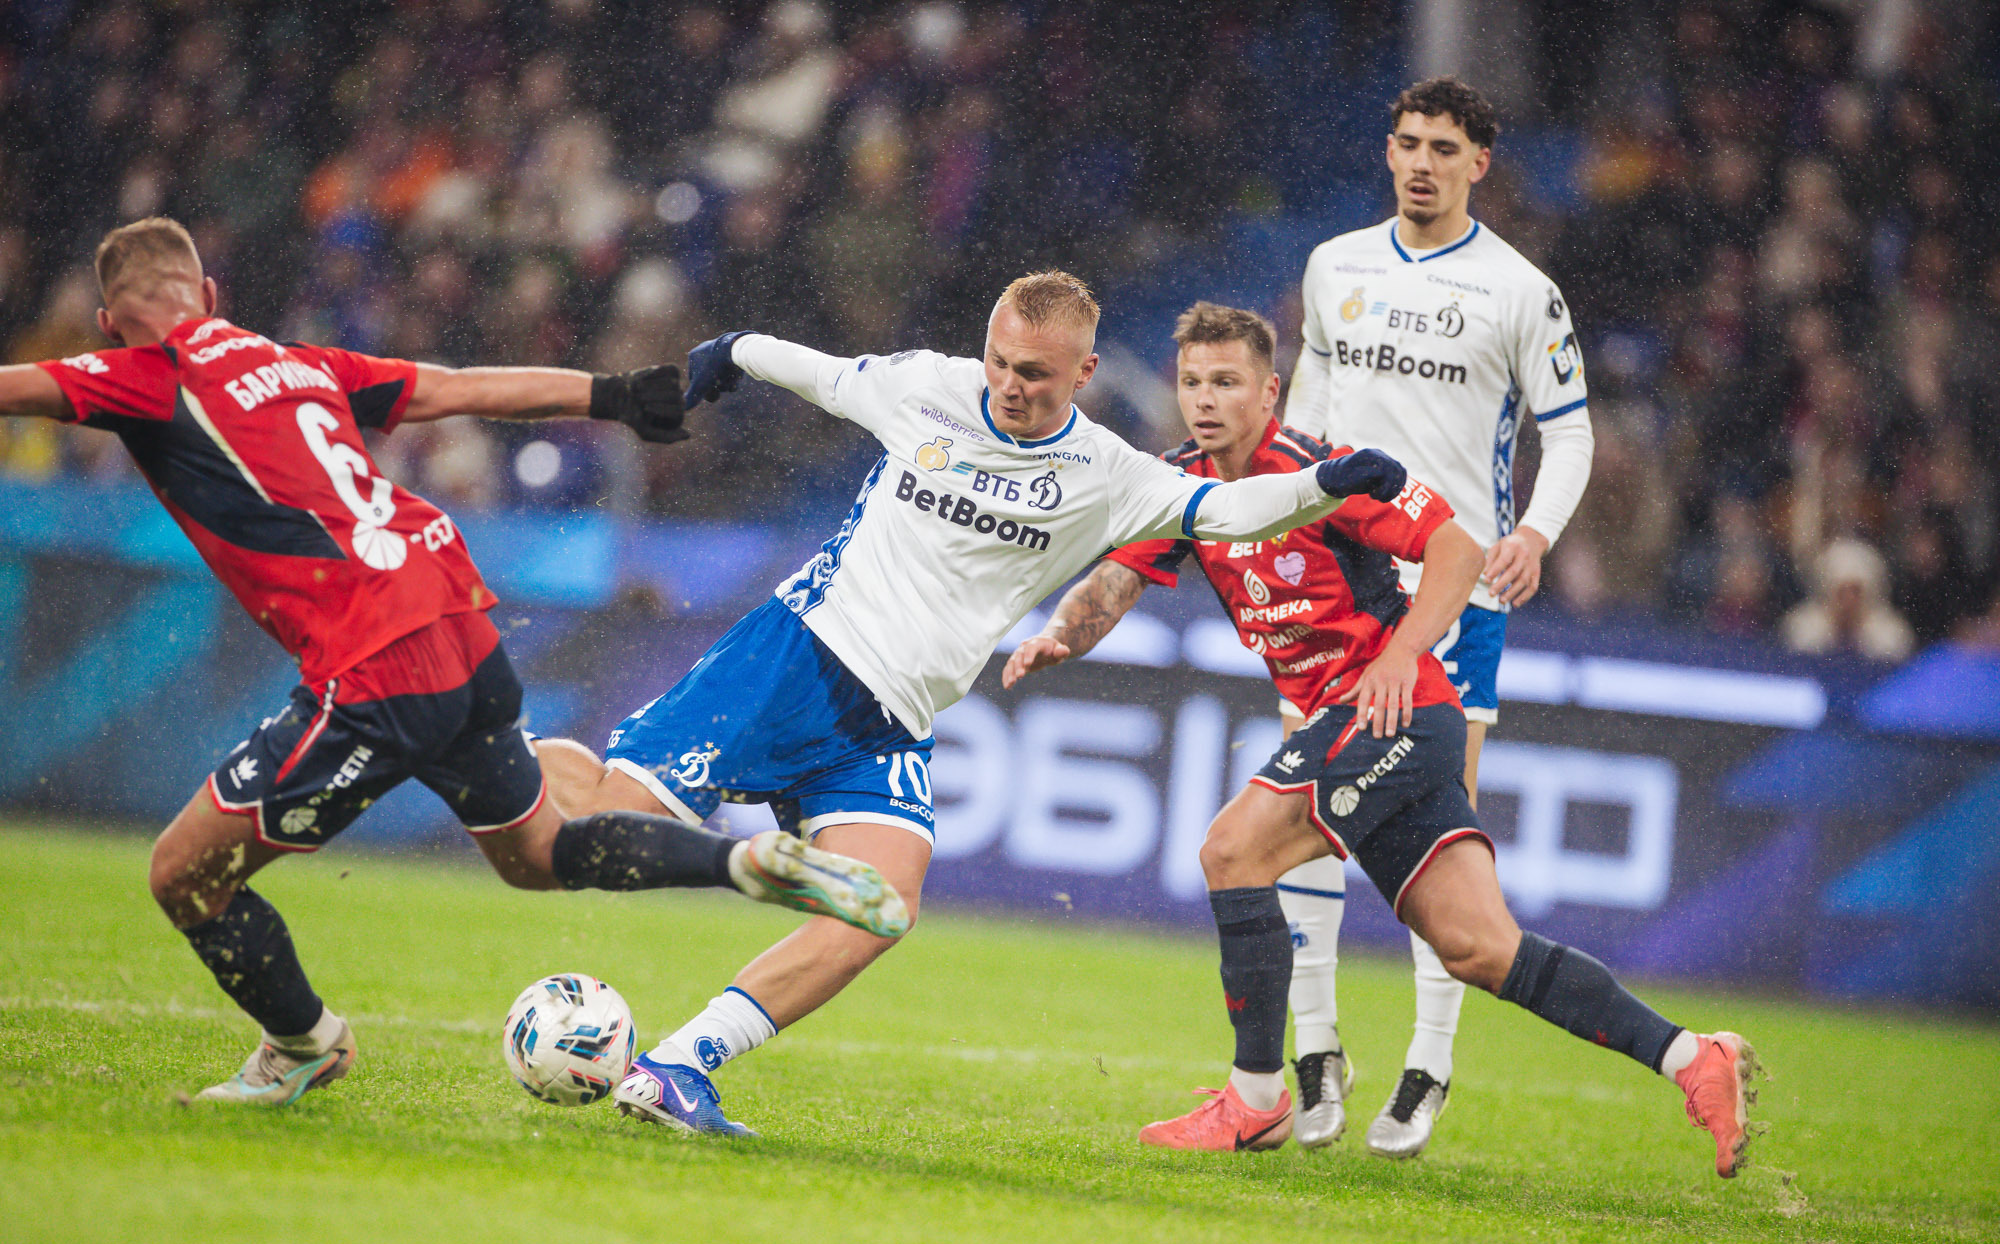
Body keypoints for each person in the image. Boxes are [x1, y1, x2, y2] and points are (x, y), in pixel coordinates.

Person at [0, 217, 905, 1108]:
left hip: (377, 656)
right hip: (456, 611)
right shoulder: (302, 362)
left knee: (182, 873)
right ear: (207, 296)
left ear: (112, 326)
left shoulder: (142, 376)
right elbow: (460, 385)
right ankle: (741, 866)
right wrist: (616, 394)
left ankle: (304, 1044)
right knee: (539, 853)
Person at [535, 270, 1411, 1135]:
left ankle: (679, 1066)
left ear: (1084, 373)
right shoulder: (927, 388)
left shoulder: (1108, 472)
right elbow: (823, 372)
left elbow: (1226, 509)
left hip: (888, 723)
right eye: (1000, 361)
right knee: (603, 832)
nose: (1011, 384)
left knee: (876, 903)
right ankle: (493, 745)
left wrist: (1326, 485)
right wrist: (734, 351)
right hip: (798, 656)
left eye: (1036, 372)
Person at [1007, 300, 1757, 1178]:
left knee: (1231, 850)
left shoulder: (1328, 474)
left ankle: (1255, 1100)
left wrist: (1402, 654)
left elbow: (1457, 549)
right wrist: (1062, 634)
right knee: (1481, 947)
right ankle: (1691, 1058)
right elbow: (1117, 581)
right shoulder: (1187, 488)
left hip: (1394, 712)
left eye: (1226, 382)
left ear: (1269, 391)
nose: (1204, 399)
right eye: (1192, 381)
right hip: (1371, 730)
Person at [1277, 76, 1598, 1156]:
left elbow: (1571, 435)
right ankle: (1315, 1055)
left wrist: (1534, 534)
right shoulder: (1334, 266)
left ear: (1479, 164)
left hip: (1450, 589)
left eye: (1443, 147)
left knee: (1442, 828)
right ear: (1387, 147)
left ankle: (1427, 1064)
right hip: (1335, 588)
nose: (1420, 161)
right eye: (1406, 141)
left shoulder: (1520, 292)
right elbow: (1302, 427)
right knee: (1305, 807)